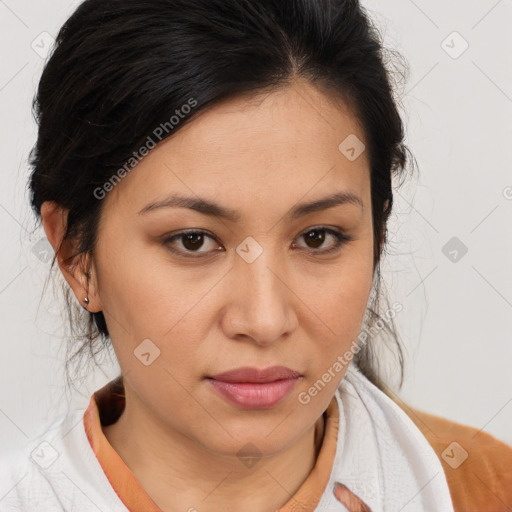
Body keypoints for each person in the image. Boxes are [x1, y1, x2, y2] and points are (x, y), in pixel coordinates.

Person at [1, 0, 511, 511]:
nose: (264, 320)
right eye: (193, 241)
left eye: (317, 237)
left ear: (377, 232)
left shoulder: (485, 490)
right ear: (75, 256)